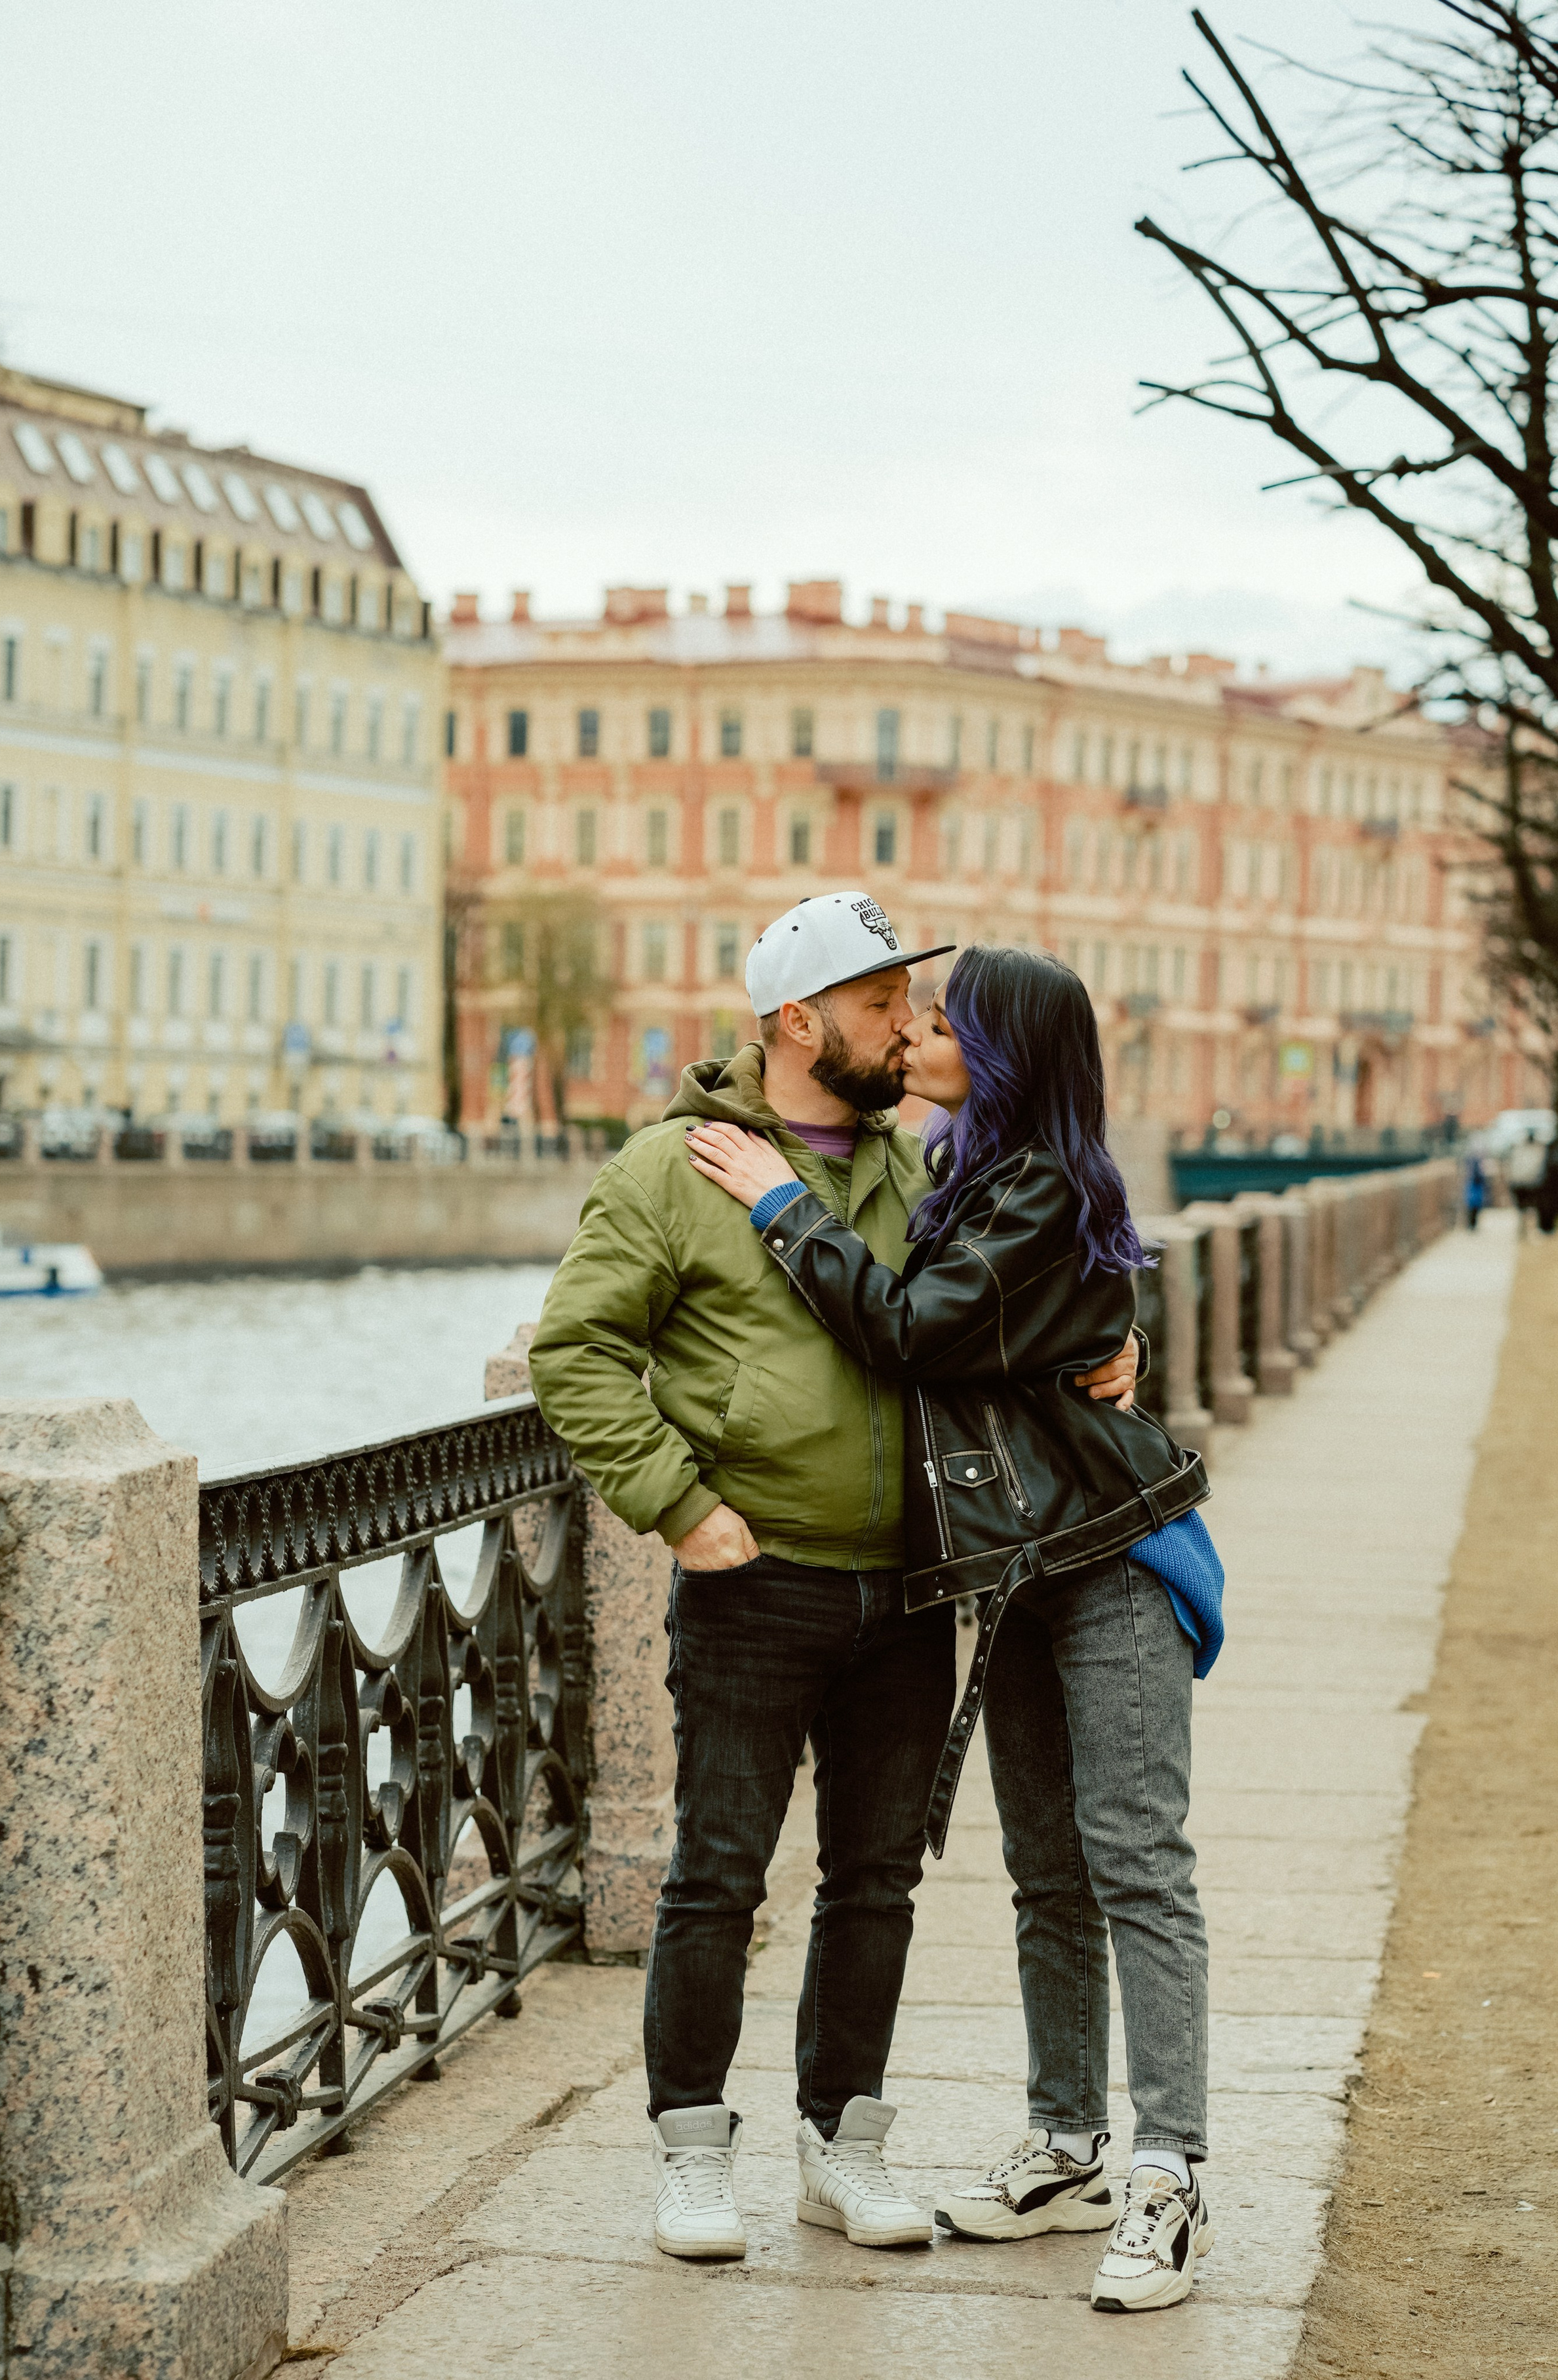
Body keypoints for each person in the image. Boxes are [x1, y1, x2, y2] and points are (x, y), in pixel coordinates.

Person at [528, 894, 1139, 2263]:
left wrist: (1114, 1341)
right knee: (717, 1877)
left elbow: (1009, 1293)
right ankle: (694, 2156)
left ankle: (841, 2147)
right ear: (799, 1022)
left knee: (875, 1882)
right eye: (879, 1004)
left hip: (910, 1585)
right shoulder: (668, 1171)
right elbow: (576, 1353)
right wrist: (679, 1505)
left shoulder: (918, 1170)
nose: (907, 1027)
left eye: (911, 1003)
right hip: (755, 1578)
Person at [686, 943, 1223, 2315]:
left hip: (1110, 1560)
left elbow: (913, 1331)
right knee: (1047, 1874)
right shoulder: (968, 1174)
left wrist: (777, 1204)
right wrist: (1115, 1332)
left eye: (940, 1021)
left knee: (1135, 1865)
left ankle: (1170, 2176)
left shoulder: (1037, 1185)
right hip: (1023, 1569)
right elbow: (1032, 1322)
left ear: (1000, 1054)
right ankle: (1067, 2146)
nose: (915, 1034)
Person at [1464, 1152, 1489, 1230]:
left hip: (1475, 1189)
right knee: (1474, 1208)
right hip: (1475, 1188)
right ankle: (1472, 1224)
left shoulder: (1473, 1166)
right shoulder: (1476, 1166)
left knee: (1473, 1208)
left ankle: (1472, 1224)